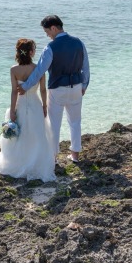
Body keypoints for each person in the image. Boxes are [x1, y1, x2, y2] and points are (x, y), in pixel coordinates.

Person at [18, 15, 89, 163]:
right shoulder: (79, 43)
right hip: (76, 87)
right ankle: (75, 156)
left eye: (47, 32)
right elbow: (85, 67)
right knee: (75, 122)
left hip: (57, 89)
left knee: (54, 124)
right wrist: (84, 85)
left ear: (54, 28)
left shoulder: (50, 48)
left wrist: (25, 86)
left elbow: (39, 71)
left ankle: (53, 158)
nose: (47, 35)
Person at [0, 39, 56, 182]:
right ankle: (36, 161)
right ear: (31, 52)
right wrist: (45, 106)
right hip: (35, 104)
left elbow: (14, 91)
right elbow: (43, 90)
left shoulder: (14, 70)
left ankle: (19, 161)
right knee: (37, 134)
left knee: (20, 136)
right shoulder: (38, 69)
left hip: (20, 105)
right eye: (34, 49)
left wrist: (12, 110)